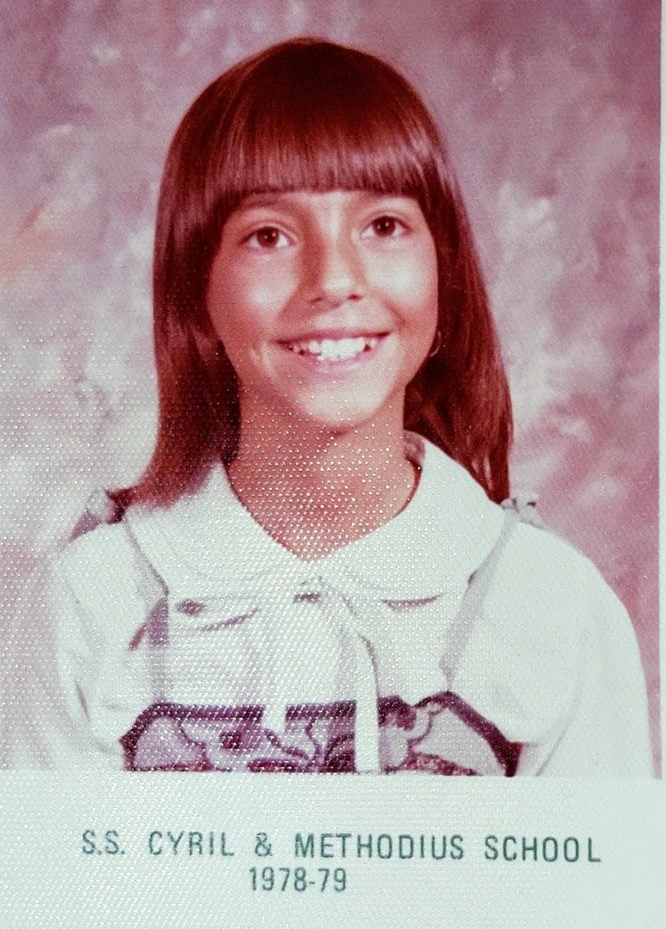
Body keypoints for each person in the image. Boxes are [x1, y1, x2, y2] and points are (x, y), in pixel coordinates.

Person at [3, 38, 652, 775]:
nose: (334, 280)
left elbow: (595, 893)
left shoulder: (552, 605)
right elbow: (57, 892)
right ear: (197, 298)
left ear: (446, 277)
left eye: (383, 227)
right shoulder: (91, 605)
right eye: (269, 236)